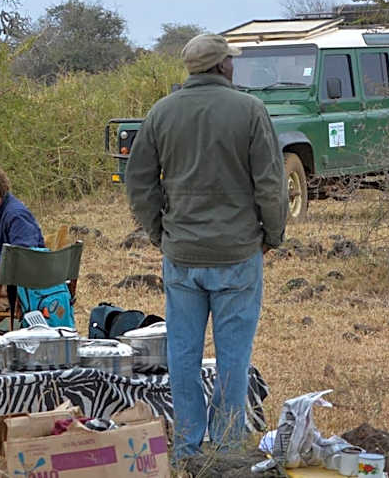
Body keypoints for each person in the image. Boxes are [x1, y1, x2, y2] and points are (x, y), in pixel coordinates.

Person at [125, 33, 287, 461]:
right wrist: (272, 235)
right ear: (222, 67)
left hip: (182, 256)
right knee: (234, 358)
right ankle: (229, 448)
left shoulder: (162, 112)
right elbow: (271, 184)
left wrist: (161, 232)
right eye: (230, 61)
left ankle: (187, 449)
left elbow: (139, 183)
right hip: (237, 254)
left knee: (183, 354)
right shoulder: (250, 110)